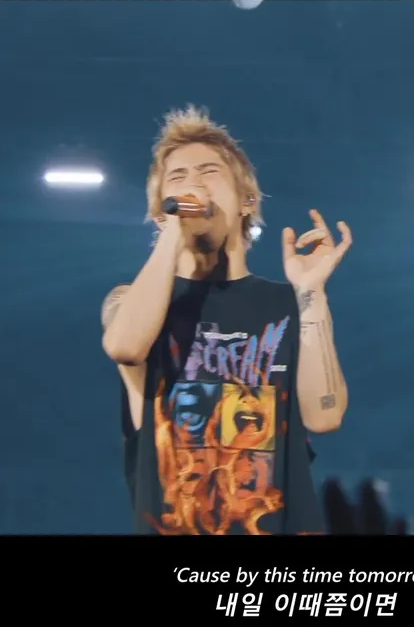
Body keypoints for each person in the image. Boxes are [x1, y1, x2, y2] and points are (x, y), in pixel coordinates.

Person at [102, 105, 353, 535]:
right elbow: (125, 347)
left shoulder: (287, 303)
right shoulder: (132, 302)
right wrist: (173, 230)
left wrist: (311, 293)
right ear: (161, 209)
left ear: (246, 201)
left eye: (209, 172)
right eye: (178, 178)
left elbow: (324, 416)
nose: (194, 185)